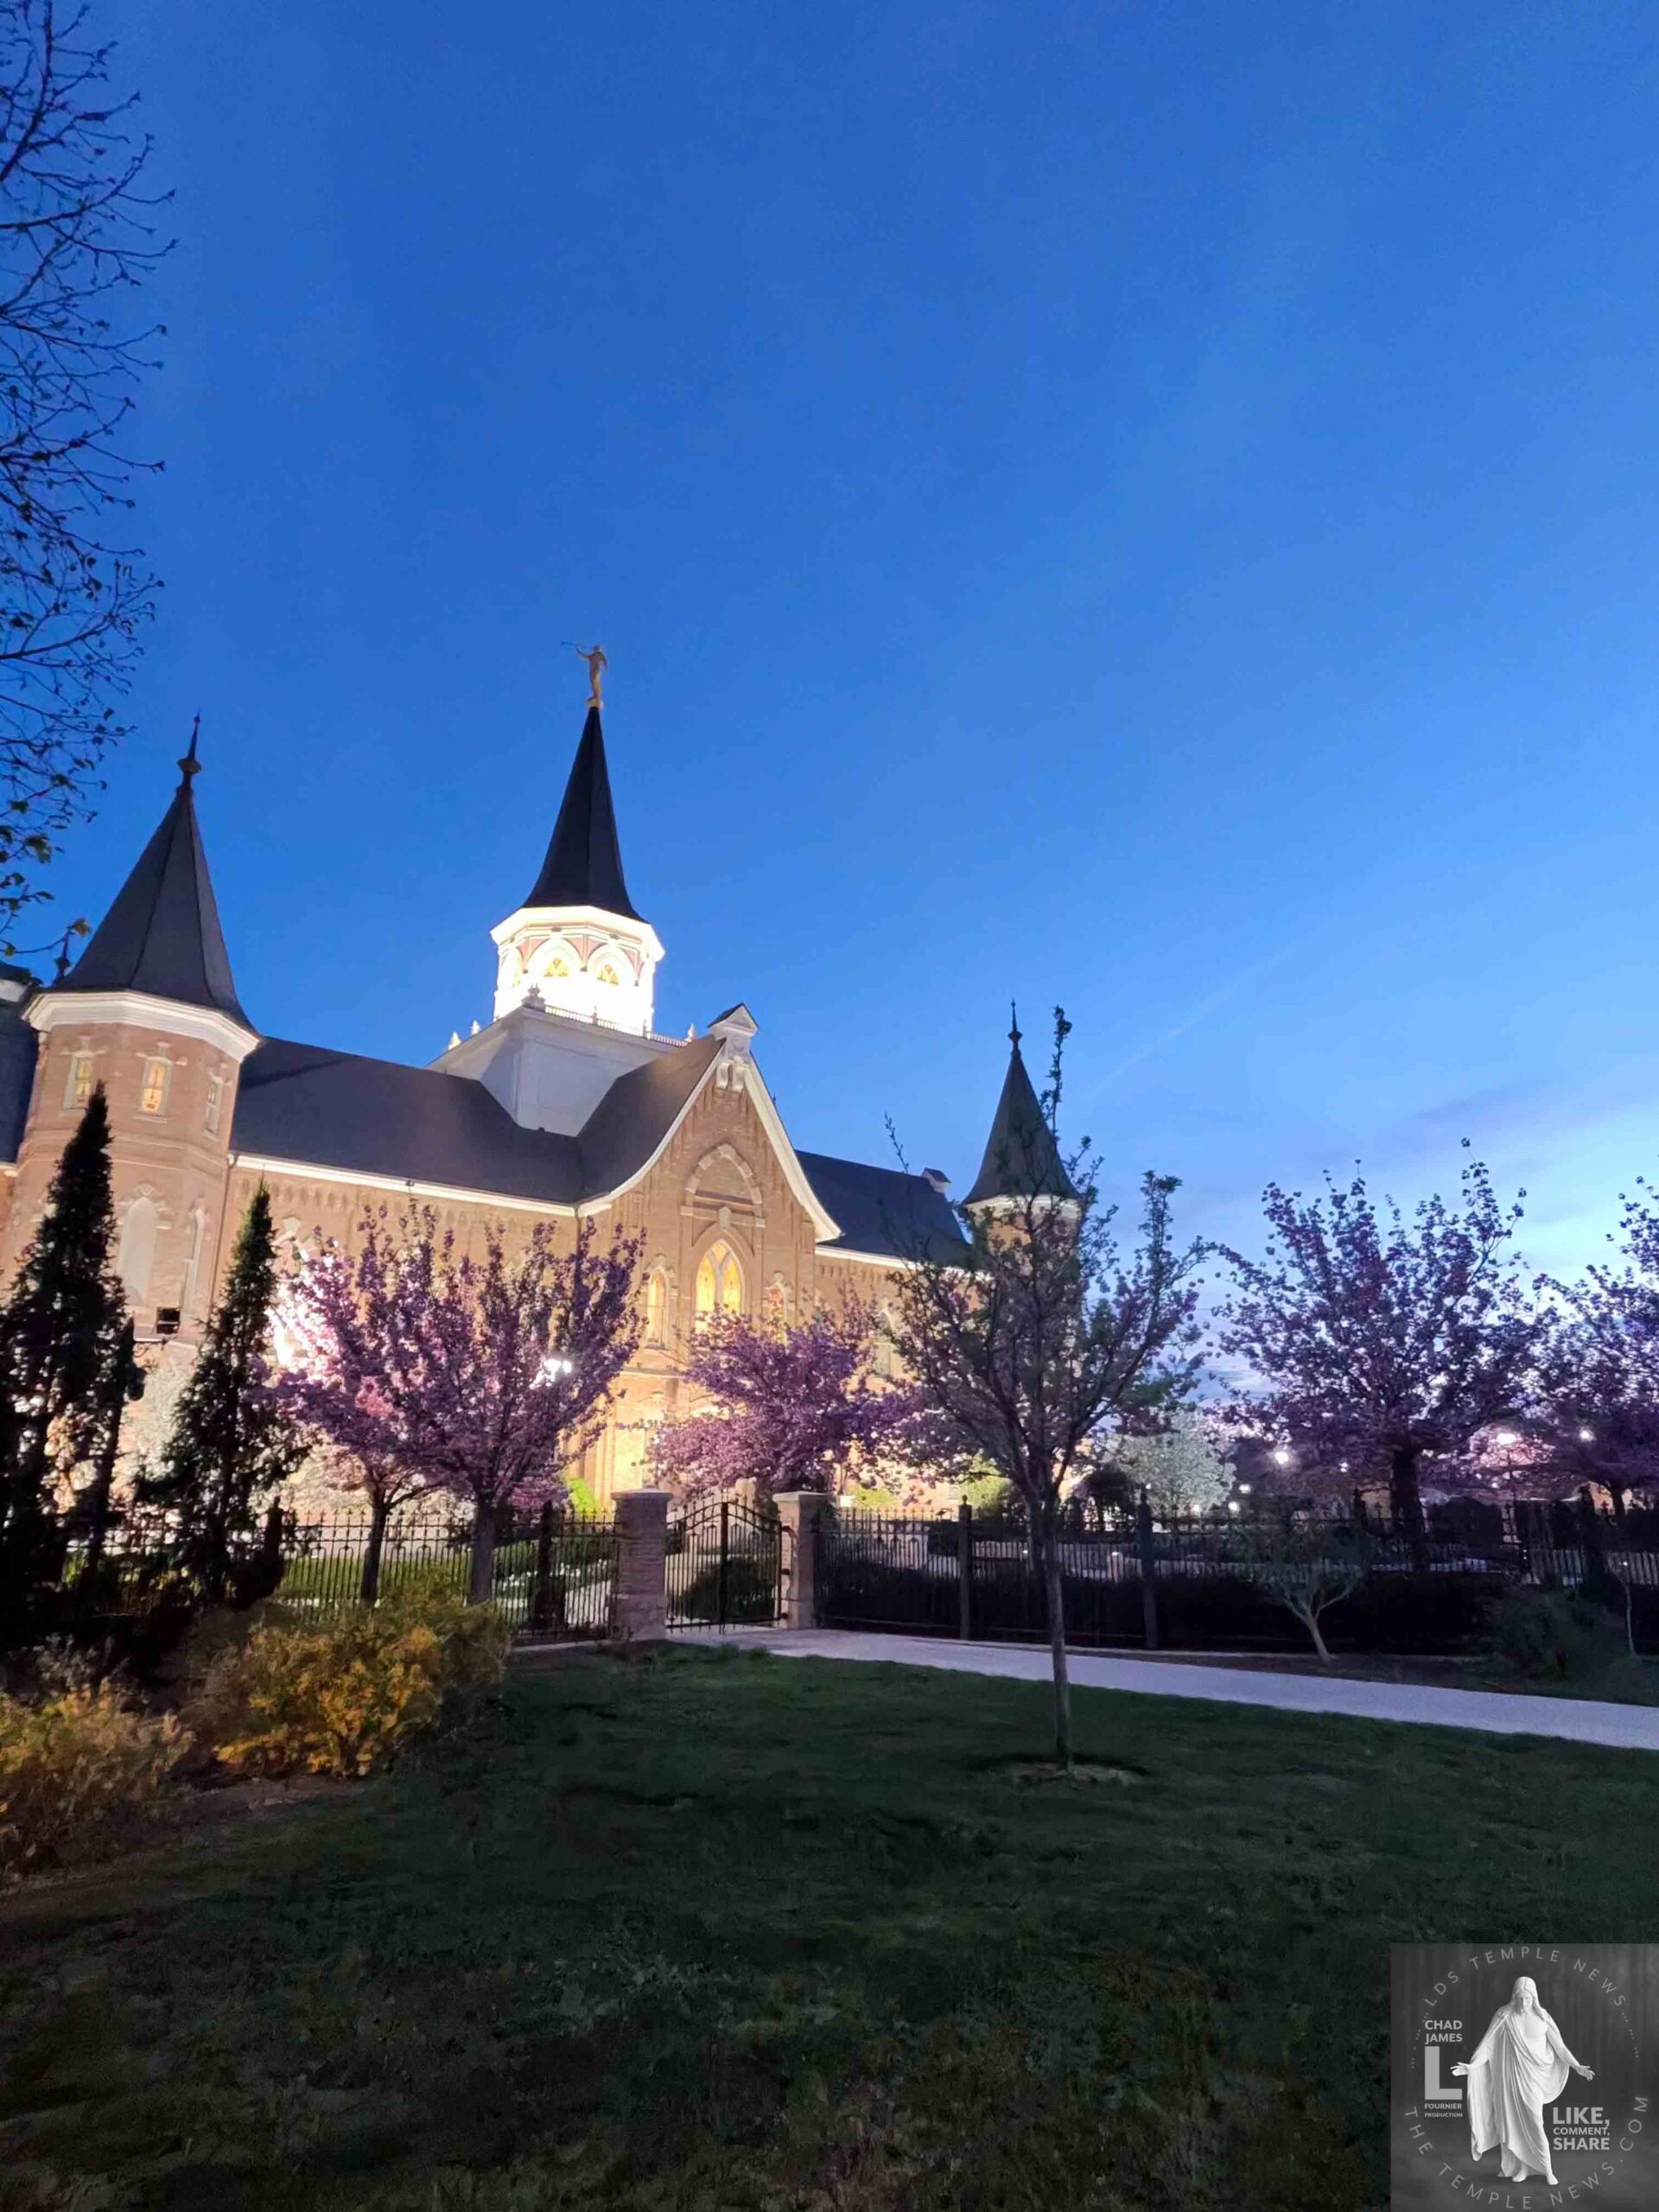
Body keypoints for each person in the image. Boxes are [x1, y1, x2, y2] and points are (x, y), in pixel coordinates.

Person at [1452, 1975, 1594, 2187]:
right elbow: (1488, 2047)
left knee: (1536, 2123)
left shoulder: (1543, 2018)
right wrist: (1471, 2067)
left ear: (1534, 1998)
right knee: (1513, 2124)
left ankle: (1547, 2169)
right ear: (1514, 1997)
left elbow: (1560, 2048)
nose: (1523, 2003)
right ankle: (1522, 2168)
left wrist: (1577, 2066)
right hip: (1510, 2080)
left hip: (1533, 2079)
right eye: (1519, 1998)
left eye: (1528, 1998)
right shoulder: (1504, 2017)